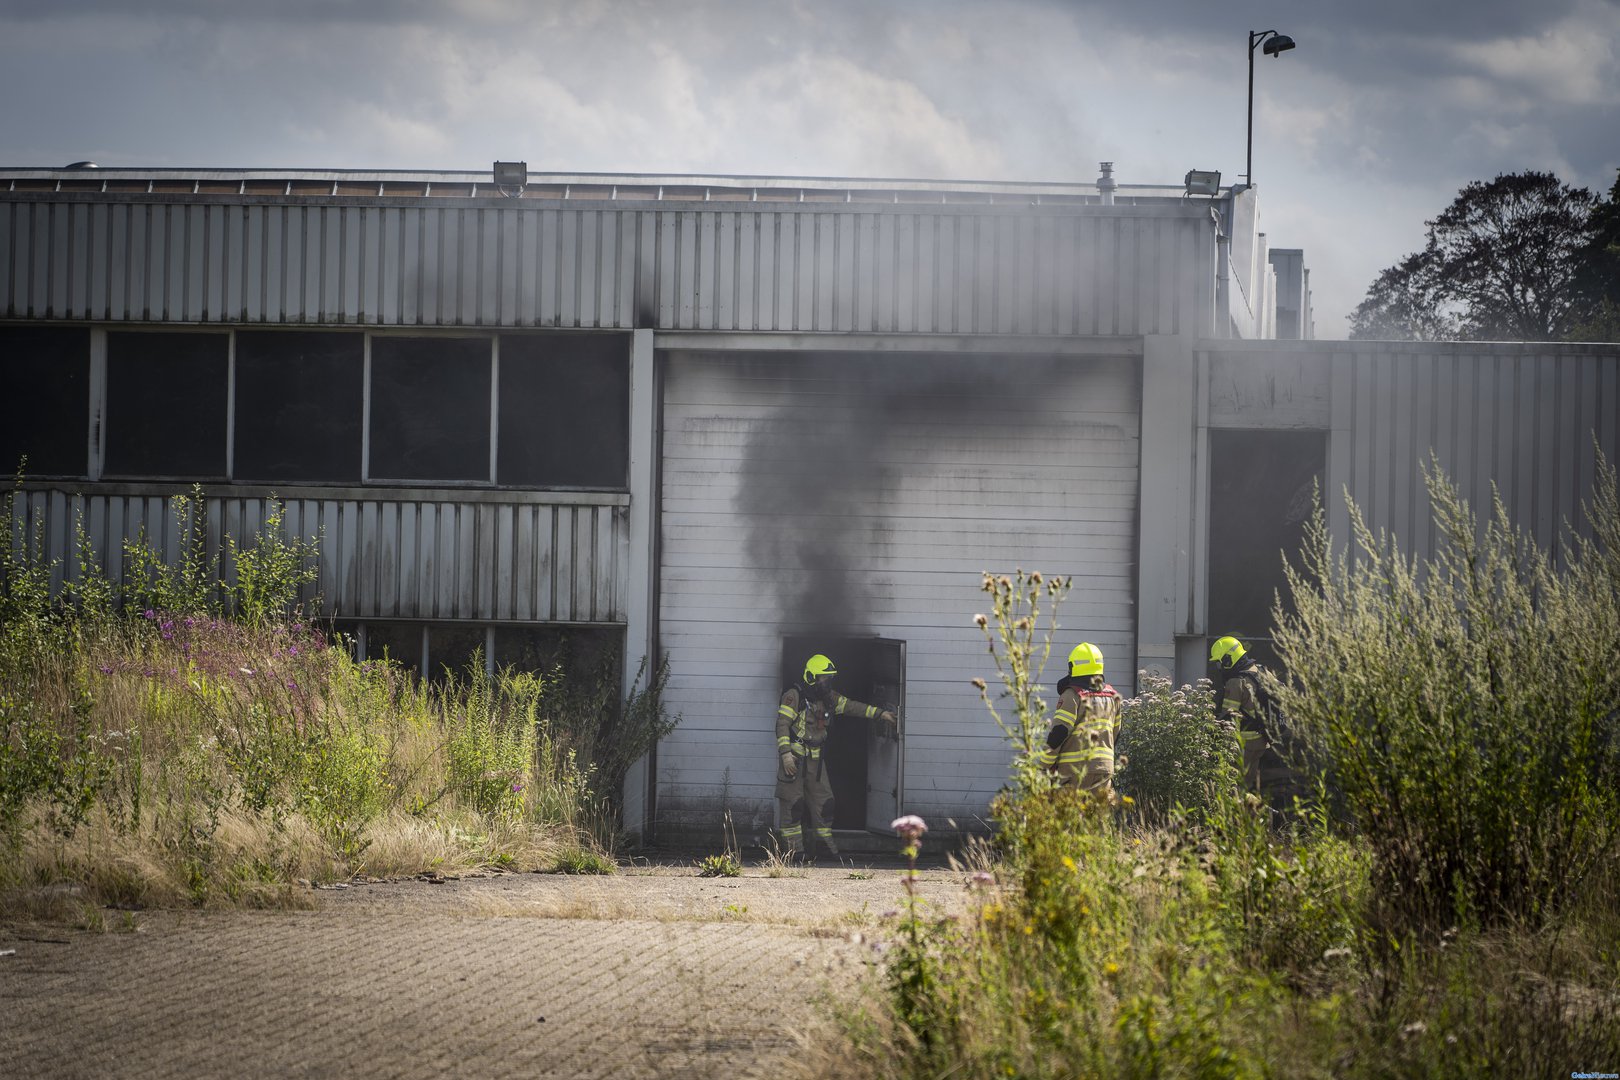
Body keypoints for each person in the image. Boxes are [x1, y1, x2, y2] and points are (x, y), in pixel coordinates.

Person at [775, 653, 896, 863]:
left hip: (816, 763)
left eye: (829, 678)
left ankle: (824, 849)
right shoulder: (794, 696)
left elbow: (852, 706)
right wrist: (785, 755)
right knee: (793, 806)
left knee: (825, 804)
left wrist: (880, 714)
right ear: (812, 677)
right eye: (824, 678)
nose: (827, 682)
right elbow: (782, 724)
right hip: (794, 760)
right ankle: (794, 853)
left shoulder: (829, 698)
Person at [1209, 634, 1300, 810]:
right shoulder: (1261, 671)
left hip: (1245, 743)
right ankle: (1259, 819)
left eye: (1220, 663)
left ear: (1229, 660)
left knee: (1231, 787)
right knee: (1243, 787)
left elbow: (1228, 717)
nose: (1219, 668)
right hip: (1262, 741)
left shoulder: (1236, 682)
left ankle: (1265, 816)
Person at [1035, 642, 1122, 797]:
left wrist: (1043, 766)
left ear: (1073, 666)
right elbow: (1116, 734)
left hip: (1074, 772)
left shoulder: (1072, 695)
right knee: (1098, 818)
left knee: (1070, 818)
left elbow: (1059, 734)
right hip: (1104, 771)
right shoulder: (1113, 697)